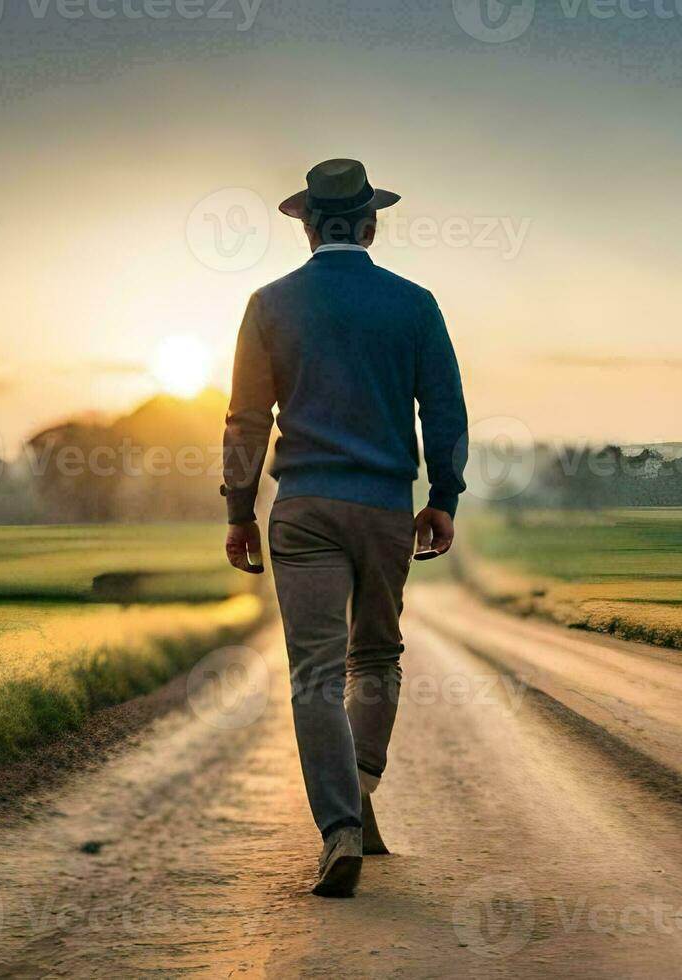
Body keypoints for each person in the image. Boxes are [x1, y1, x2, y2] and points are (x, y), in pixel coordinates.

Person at [220, 158, 469, 898]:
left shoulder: (268, 304)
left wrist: (238, 511)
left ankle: (339, 829)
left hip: (303, 507)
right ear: (370, 225)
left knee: (316, 676)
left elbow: (244, 419)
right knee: (377, 656)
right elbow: (445, 412)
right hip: (386, 506)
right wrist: (444, 494)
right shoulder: (415, 304)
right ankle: (360, 784)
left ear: (305, 228)